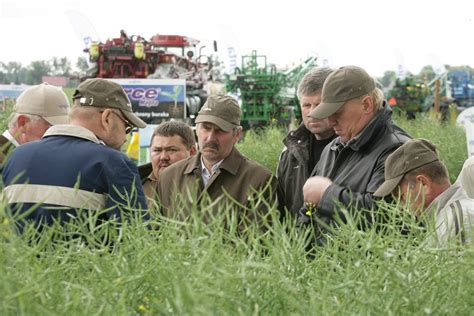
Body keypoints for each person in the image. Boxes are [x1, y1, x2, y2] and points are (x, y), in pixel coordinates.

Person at [2, 78, 149, 232]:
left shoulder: (16, 157)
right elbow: (136, 238)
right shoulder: (116, 164)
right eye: (127, 127)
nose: (125, 137)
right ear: (107, 118)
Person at [301, 65, 411, 243]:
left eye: (337, 112)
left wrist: (327, 195)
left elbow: (385, 217)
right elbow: (308, 211)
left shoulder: (397, 150)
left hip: (366, 269)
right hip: (323, 268)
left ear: (366, 104)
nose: (330, 121)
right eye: (327, 113)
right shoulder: (333, 148)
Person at [155, 95, 276, 226]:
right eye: (206, 128)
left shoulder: (259, 180)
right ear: (196, 129)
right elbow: (157, 234)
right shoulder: (169, 177)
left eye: (220, 130)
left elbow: (258, 240)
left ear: (237, 134)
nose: (210, 138)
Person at [374, 138, 474, 245]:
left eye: (402, 197)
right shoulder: (448, 218)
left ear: (423, 184)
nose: (401, 207)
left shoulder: (457, 224)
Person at [276, 67, 335, 217]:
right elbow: (280, 209)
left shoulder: (351, 148)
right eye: (306, 105)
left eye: (319, 104)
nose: (312, 113)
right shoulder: (289, 153)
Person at [0, 83, 69, 163]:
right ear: (23, 123)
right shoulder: (8, 160)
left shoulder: (20, 156)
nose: (59, 138)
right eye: (51, 129)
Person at [140, 121, 197, 208]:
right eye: (157, 150)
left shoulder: (203, 186)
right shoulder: (133, 185)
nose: (163, 157)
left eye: (172, 150)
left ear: (192, 152)